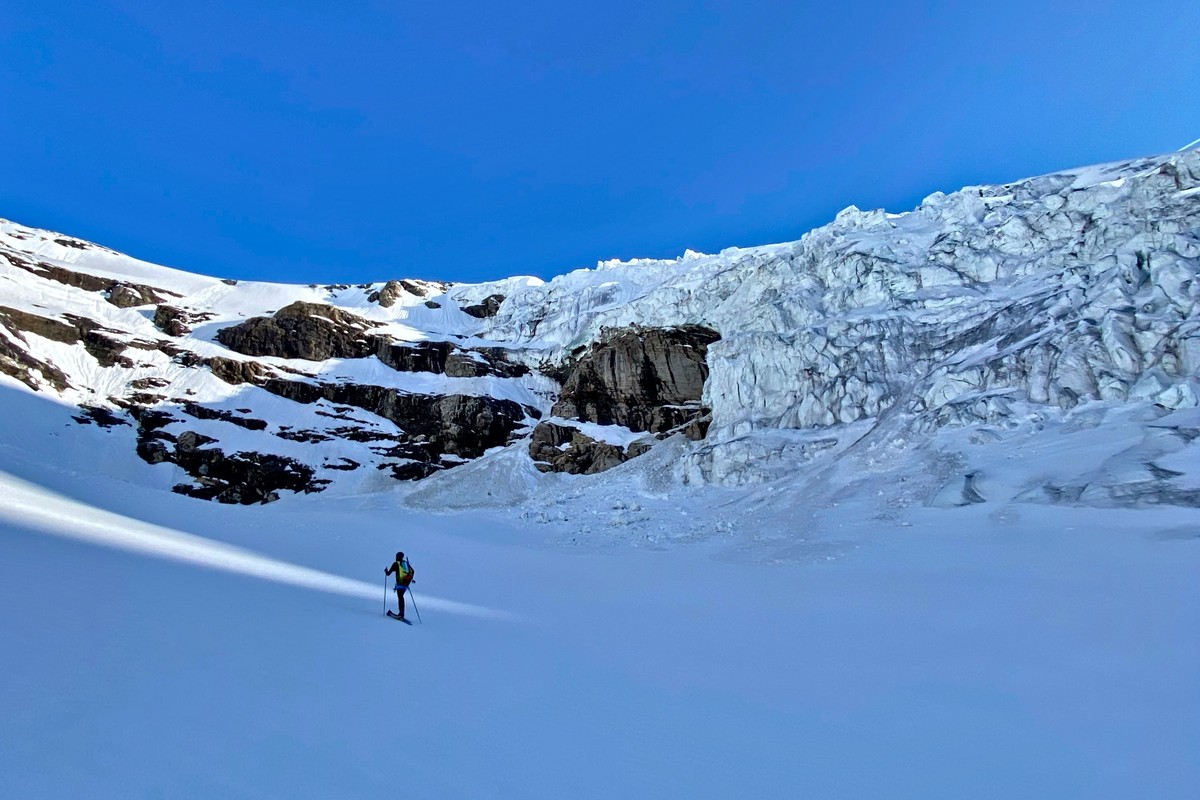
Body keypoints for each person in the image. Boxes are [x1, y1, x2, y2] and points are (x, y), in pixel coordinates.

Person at [385, 551, 414, 620]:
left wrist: (386, 571)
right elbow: (413, 571)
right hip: (406, 583)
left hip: (400, 583)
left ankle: (401, 614)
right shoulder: (405, 564)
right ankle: (401, 613)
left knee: (400, 597)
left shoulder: (395, 564)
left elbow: (388, 573)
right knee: (401, 596)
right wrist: (408, 580)